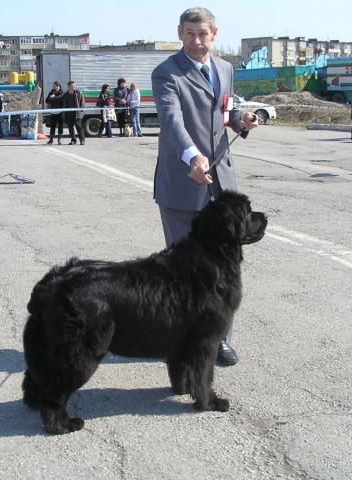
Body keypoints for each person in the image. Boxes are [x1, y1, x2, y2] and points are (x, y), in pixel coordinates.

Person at [152, 7, 259, 366]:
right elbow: (172, 120)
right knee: (185, 271)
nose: (196, 41)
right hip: (184, 180)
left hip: (221, 184)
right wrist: (192, 156)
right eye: (189, 34)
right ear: (180, 34)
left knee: (224, 267)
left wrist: (240, 119)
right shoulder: (166, 73)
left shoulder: (225, 69)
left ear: (214, 33)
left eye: (203, 34)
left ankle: (218, 339)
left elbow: (224, 112)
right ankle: (184, 340)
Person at [61, 80, 85, 145]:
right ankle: (73, 140)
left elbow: (82, 102)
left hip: (77, 114)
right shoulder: (66, 94)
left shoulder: (78, 92)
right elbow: (64, 104)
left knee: (79, 127)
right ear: (69, 86)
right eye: (72, 86)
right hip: (69, 114)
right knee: (70, 128)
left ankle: (82, 140)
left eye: (74, 85)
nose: (74, 87)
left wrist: (81, 110)